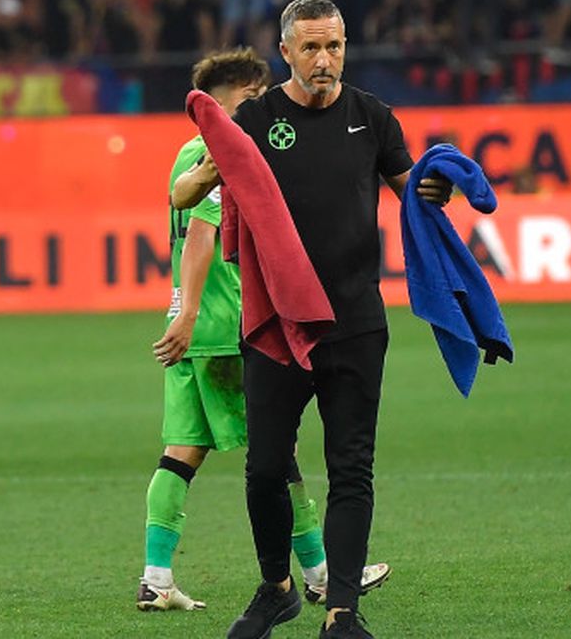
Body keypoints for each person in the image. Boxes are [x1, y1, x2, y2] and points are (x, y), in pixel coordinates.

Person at [172, 0, 452, 639]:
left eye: (334, 47)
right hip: (278, 327)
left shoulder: (372, 117)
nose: (324, 60)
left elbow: (414, 194)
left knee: (351, 469)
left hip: (356, 322)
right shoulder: (256, 119)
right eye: (311, 48)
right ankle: (276, 589)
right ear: (286, 53)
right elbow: (184, 192)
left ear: (345, 47)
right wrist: (206, 174)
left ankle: (341, 611)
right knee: (266, 468)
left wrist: (437, 189)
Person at [142, 47, 391, 614]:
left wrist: (182, 311)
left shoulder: (186, 152)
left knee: (182, 451)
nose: (261, 106)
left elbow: (182, 209)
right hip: (227, 323)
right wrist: (191, 313)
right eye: (250, 99)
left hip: (189, 327)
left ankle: (155, 576)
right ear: (223, 103)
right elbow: (202, 234)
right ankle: (322, 574)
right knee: (277, 454)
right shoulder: (222, 153)